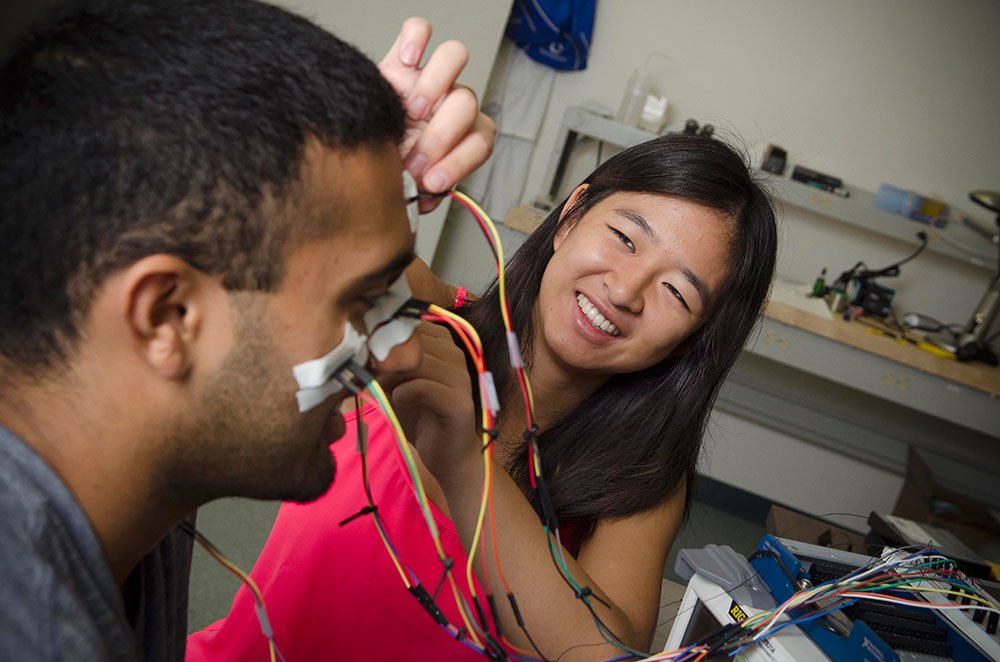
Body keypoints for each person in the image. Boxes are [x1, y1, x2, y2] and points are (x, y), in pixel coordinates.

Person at [0, 0, 497, 659]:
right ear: (168, 318)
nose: (403, 355)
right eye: (361, 301)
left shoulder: (126, 458)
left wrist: (351, 185)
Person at [188, 133, 779, 660]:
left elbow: (607, 652)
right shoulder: (431, 320)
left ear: (692, 341)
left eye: (676, 293)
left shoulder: (642, 477)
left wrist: (469, 465)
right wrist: (360, 172)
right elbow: (268, 235)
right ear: (571, 215)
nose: (625, 291)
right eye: (624, 238)